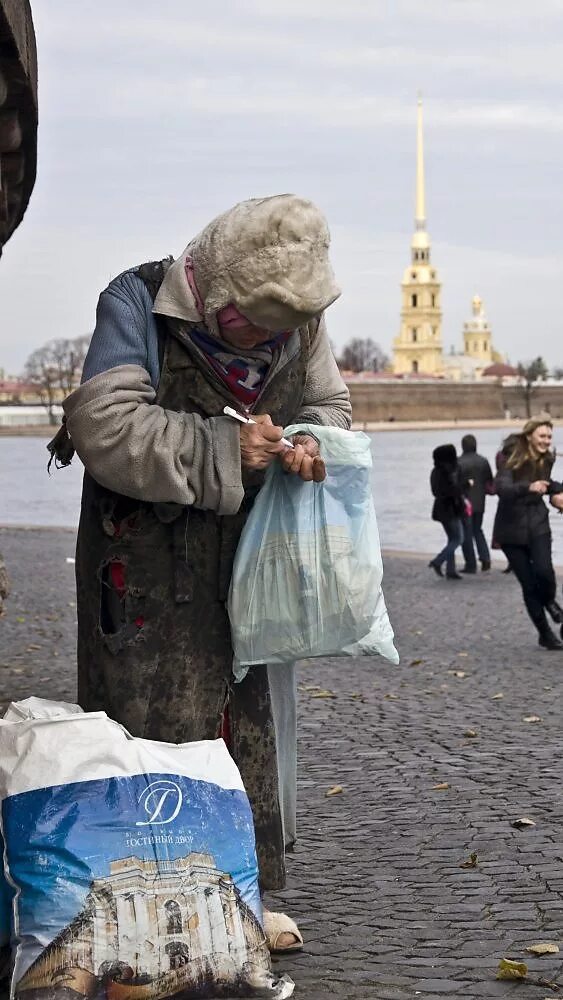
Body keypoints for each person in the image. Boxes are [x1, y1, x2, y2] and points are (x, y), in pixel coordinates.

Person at [52, 194, 352, 951]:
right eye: (253, 319)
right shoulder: (136, 301)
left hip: (251, 561)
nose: (269, 336)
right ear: (210, 287)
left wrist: (312, 443)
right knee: (146, 727)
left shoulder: (301, 321)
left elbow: (329, 404)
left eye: (282, 324)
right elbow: (104, 425)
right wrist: (226, 452)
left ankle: (241, 897)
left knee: (245, 725)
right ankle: (135, 899)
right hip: (145, 562)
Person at [493, 417, 563, 650]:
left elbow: (547, 483)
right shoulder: (509, 456)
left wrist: (557, 494)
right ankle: (545, 633)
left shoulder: (547, 458)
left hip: (538, 524)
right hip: (510, 529)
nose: (546, 441)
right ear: (530, 435)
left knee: (544, 572)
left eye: (549, 437)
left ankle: (550, 600)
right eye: (542, 436)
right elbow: (501, 488)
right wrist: (528, 487)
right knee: (528, 585)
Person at [428, 444, 466, 580]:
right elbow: (455, 490)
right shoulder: (451, 471)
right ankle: (438, 561)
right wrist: (466, 486)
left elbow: (435, 491)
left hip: (440, 508)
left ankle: (451, 569)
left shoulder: (435, 471)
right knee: (458, 539)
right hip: (452, 508)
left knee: (451, 538)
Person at [458, 434, 494, 573]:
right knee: (478, 530)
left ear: (463, 446)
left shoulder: (459, 462)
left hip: (464, 502)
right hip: (480, 501)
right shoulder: (483, 461)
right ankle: (485, 559)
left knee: (466, 533)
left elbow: (456, 483)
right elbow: (489, 480)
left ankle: (471, 564)